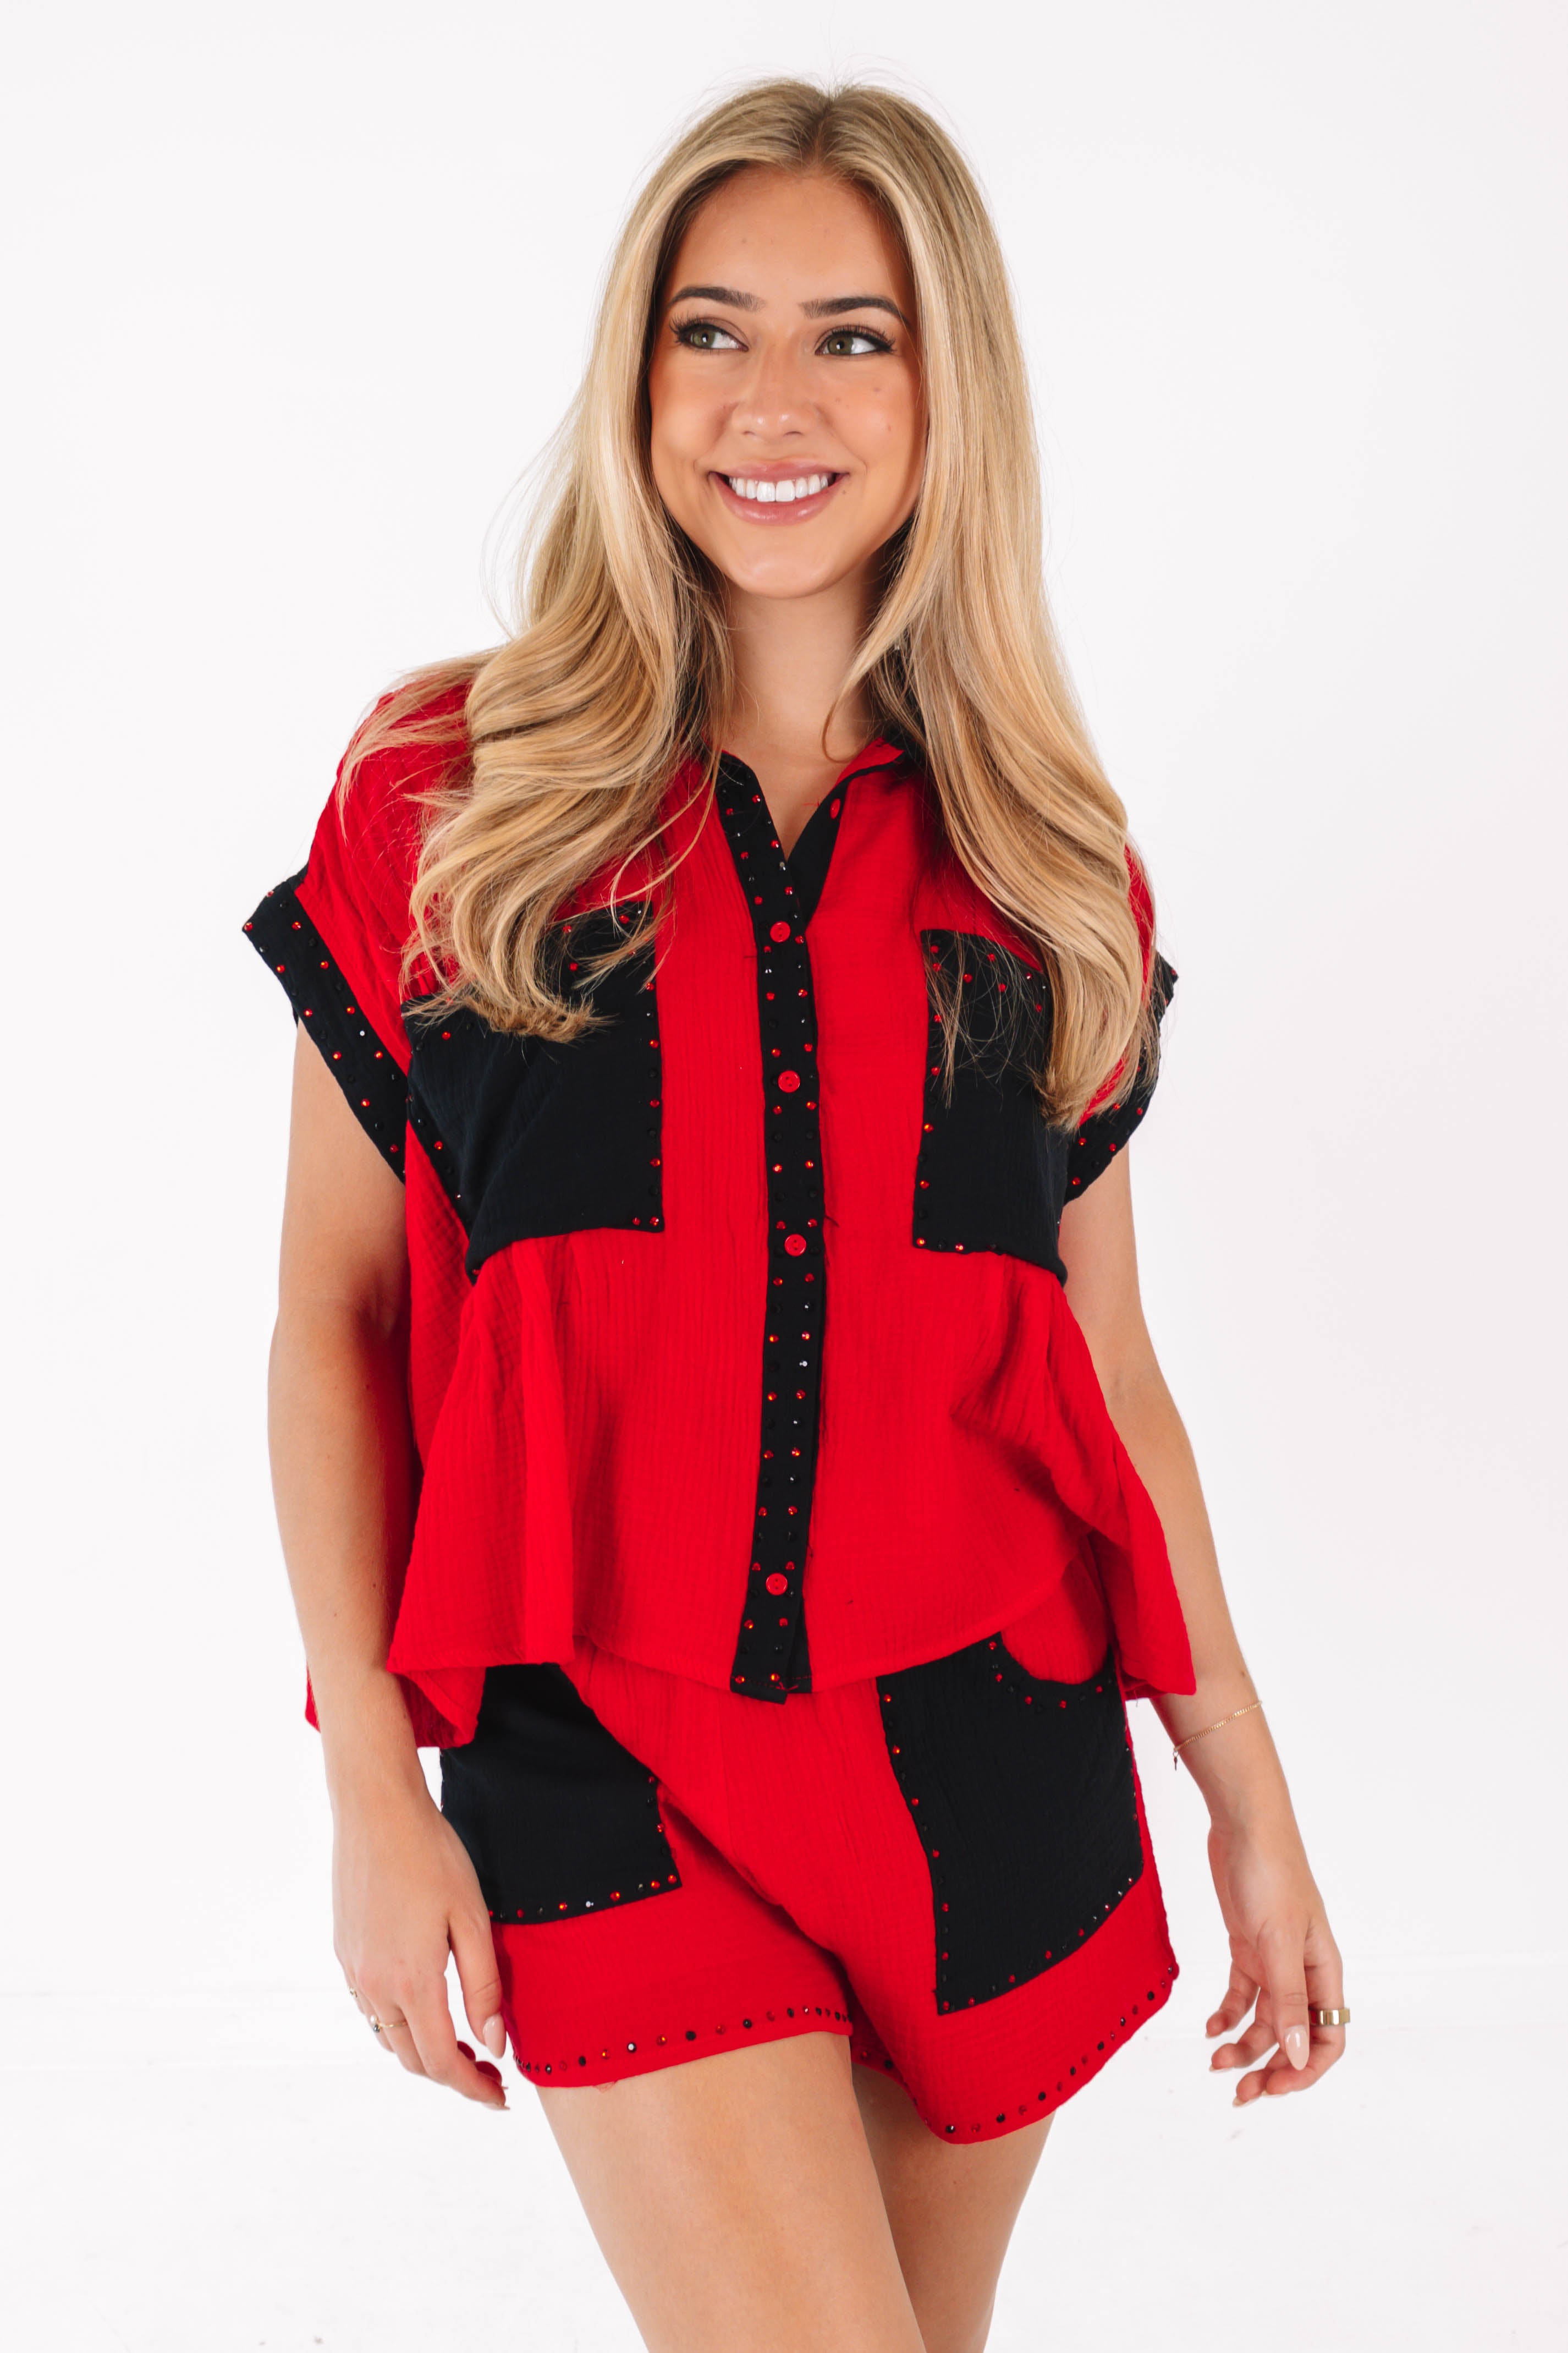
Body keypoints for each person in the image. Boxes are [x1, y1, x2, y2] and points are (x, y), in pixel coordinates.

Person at [247, 76, 1346, 2353]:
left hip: (987, 1767)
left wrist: (1242, 1786)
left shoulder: (1048, 868)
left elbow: (1103, 1362)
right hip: (602, 1759)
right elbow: (333, 1316)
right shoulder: (445, 799)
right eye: (710, 330)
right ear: (635, 374)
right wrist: (369, 1780)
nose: (774, 400)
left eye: (853, 336)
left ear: (947, 394)